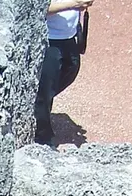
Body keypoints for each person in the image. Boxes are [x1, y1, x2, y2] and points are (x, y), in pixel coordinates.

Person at [36, 0, 91, 146]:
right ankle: (43, 138)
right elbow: (40, 7)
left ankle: (36, 107)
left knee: (72, 68)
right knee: (45, 91)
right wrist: (74, 3)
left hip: (69, 37)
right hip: (49, 40)